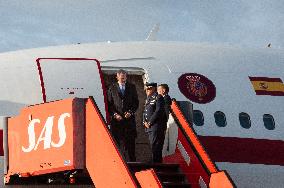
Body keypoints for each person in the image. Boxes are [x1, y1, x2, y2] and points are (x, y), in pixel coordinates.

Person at [107, 69, 139, 162]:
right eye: (121, 78)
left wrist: (130, 112)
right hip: (117, 121)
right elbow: (109, 104)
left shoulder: (132, 87)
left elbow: (136, 103)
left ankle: (133, 163)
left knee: (130, 144)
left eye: (124, 77)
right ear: (117, 77)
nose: (123, 79)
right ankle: (117, 162)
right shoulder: (111, 87)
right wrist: (114, 114)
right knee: (116, 144)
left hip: (129, 121)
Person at [143, 82, 167, 163]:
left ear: (154, 89)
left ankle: (157, 165)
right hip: (149, 127)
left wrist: (149, 122)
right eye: (146, 89)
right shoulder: (148, 99)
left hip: (155, 126)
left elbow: (158, 111)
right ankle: (155, 163)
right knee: (153, 146)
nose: (147, 90)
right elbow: (145, 112)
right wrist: (144, 122)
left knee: (156, 146)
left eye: (149, 89)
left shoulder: (158, 97)